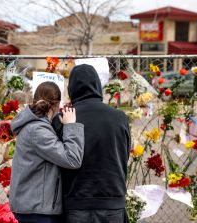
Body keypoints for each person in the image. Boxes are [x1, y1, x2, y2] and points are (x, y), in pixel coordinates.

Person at [52, 64, 131, 223]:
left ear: (71, 88)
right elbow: (125, 154)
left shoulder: (62, 119)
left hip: (76, 201)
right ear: (97, 85)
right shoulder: (119, 118)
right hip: (112, 200)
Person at [9, 81, 84, 223]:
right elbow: (72, 159)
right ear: (56, 105)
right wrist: (71, 126)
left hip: (33, 206)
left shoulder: (35, 126)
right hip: (37, 209)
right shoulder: (38, 131)